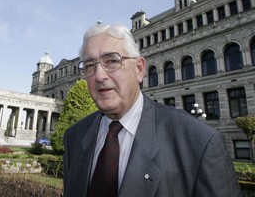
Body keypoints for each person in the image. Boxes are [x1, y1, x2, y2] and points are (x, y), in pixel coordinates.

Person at [63, 23, 242, 197]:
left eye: (111, 61)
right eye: (89, 65)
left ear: (139, 69)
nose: (99, 75)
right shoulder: (74, 136)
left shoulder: (200, 141)